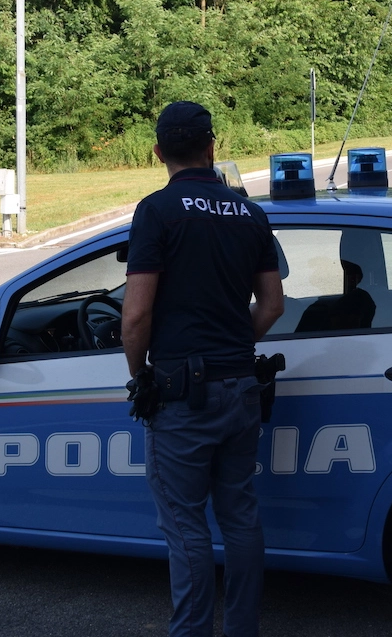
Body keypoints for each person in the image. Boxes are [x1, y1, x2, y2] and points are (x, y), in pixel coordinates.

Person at [121, 101, 285, 637]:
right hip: (241, 387)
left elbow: (137, 313)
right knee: (240, 517)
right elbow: (273, 305)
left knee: (186, 525)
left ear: (159, 152)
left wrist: (139, 372)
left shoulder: (157, 211)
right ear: (212, 147)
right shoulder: (250, 214)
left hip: (182, 395)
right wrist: (237, 345)